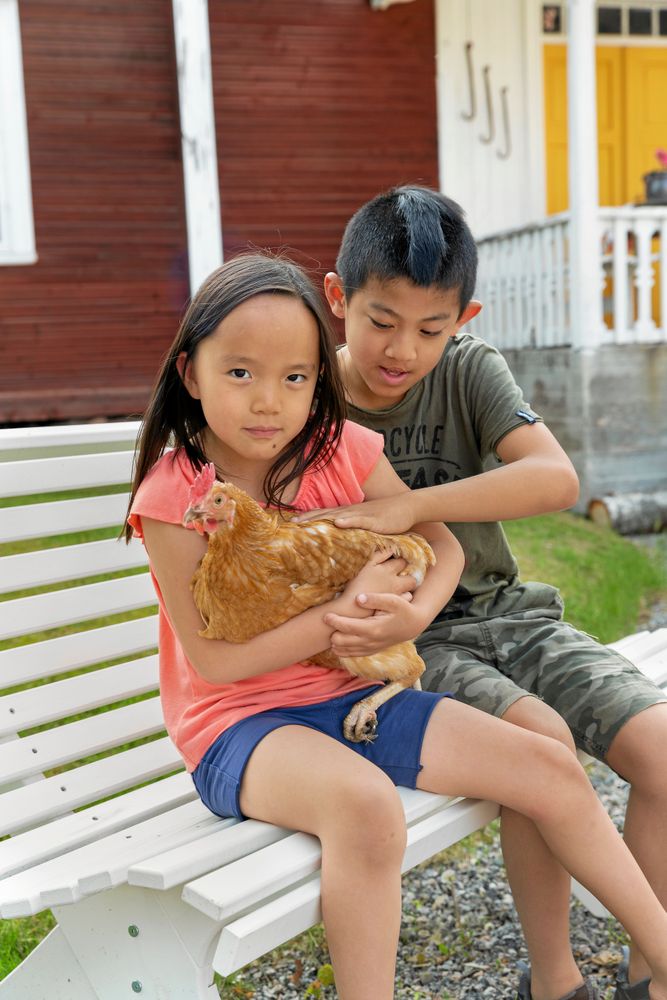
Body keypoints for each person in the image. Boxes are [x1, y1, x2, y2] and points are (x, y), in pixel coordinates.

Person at [125, 251, 667, 1000]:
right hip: (239, 725)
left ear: (319, 379)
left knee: (547, 764)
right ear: (191, 374)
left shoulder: (335, 450)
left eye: (295, 378)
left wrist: (413, 609)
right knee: (365, 807)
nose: (267, 402)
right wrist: (336, 618)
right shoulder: (176, 492)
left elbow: (438, 541)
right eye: (240, 373)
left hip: (351, 697)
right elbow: (214, 664)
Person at [307, 184, 667, 1000]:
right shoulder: (311, 401)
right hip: (415, 642)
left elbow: (554, 477)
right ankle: (554, 982)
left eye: (430, 329)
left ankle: (648, 977)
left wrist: (414, 503)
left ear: (463, 319)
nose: (402, 349)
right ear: (338, 298)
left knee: (660, 751)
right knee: (540, 743)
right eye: (380, 322)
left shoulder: (467, 370)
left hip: (513, 614)